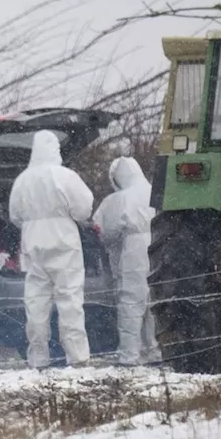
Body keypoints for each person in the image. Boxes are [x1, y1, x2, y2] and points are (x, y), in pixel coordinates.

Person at [8, 130, 94, 368]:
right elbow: (83, 209)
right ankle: (77, 358)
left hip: (33, 244)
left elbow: (15, 215)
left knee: (35, 304)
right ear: (55, 149)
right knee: (70, 301)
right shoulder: (65, 176)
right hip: (64, 242)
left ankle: (38, 358)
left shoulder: (22, 180)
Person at [93, 156, 162, 366]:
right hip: (160, 245)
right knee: (154, 302)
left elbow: (104, 231)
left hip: (134, 250)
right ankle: (154, 350)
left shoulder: (118, 200)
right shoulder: (157, 192)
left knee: (131, 302)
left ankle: (129, 355)